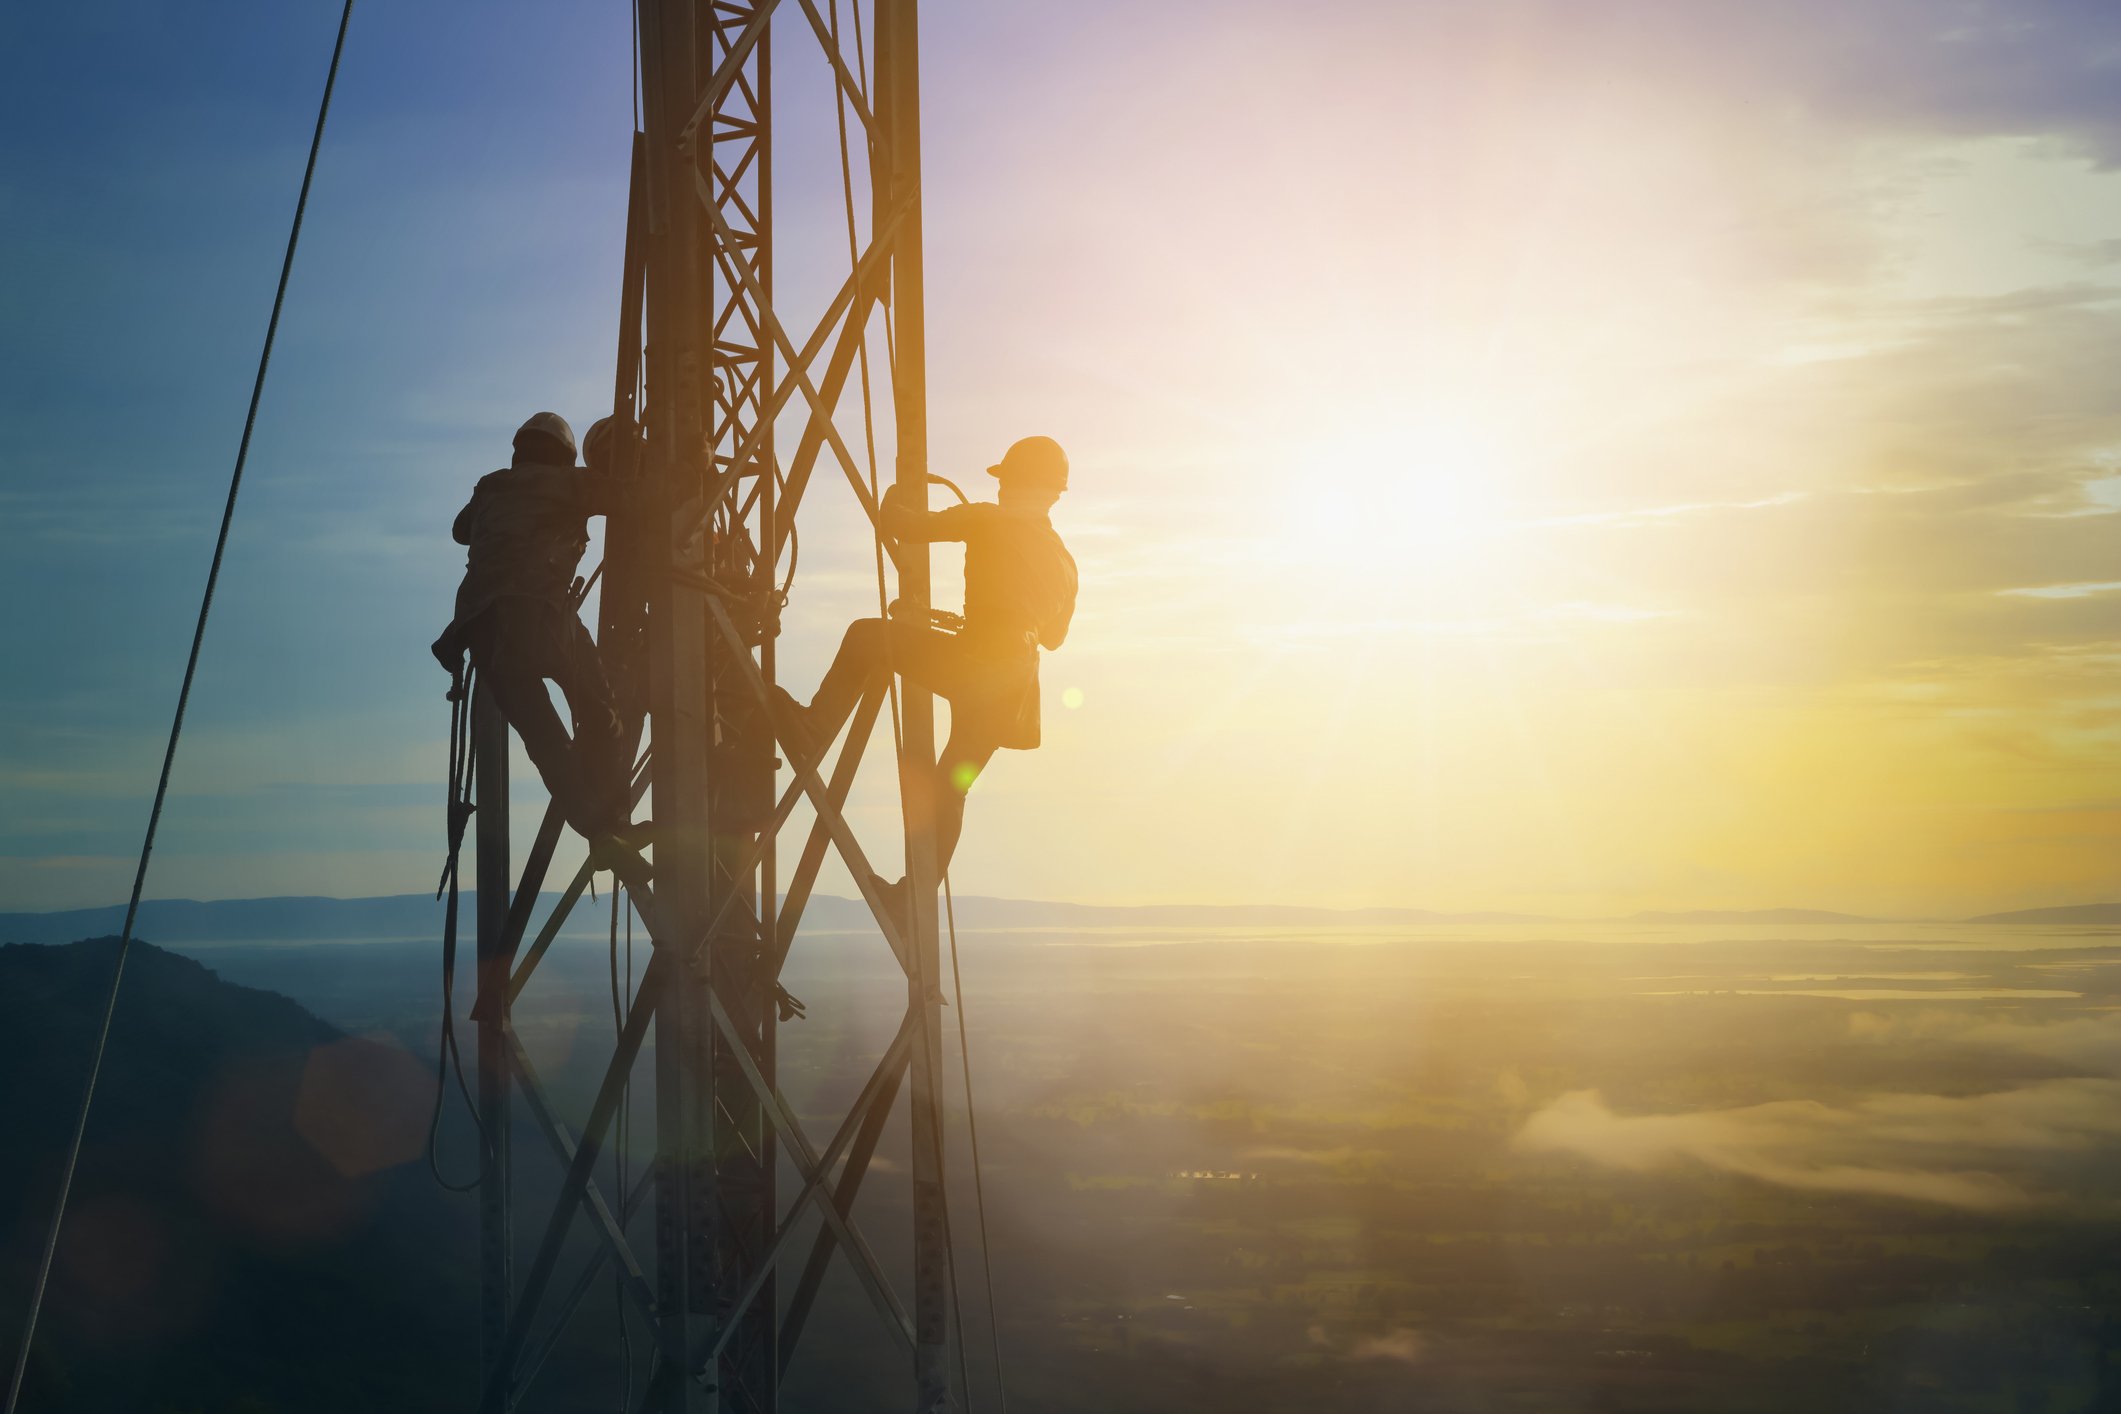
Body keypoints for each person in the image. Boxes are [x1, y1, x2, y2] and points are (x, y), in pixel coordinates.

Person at [776, 435, 1077, 897]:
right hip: (1012, 689)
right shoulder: (1064, 561)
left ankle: (812, 728)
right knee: (950, 789)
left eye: (1006, 481)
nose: (999, 489)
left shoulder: (987, 519)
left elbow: (902, 526)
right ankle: (911, 898)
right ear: (1055, 492)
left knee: (865, 636)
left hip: (975, 663)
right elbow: (1054, 638)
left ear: (1017, 483)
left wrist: (900, 492)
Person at [432, 411, 635, 842]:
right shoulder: (573, 484)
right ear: (564, 456)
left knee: (546, 740)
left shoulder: (491, 488)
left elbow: (460, 531)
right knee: (601, 714)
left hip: (485, 633)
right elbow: (635, 500)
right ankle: (614, 816)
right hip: (542, 616)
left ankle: (599, 834)